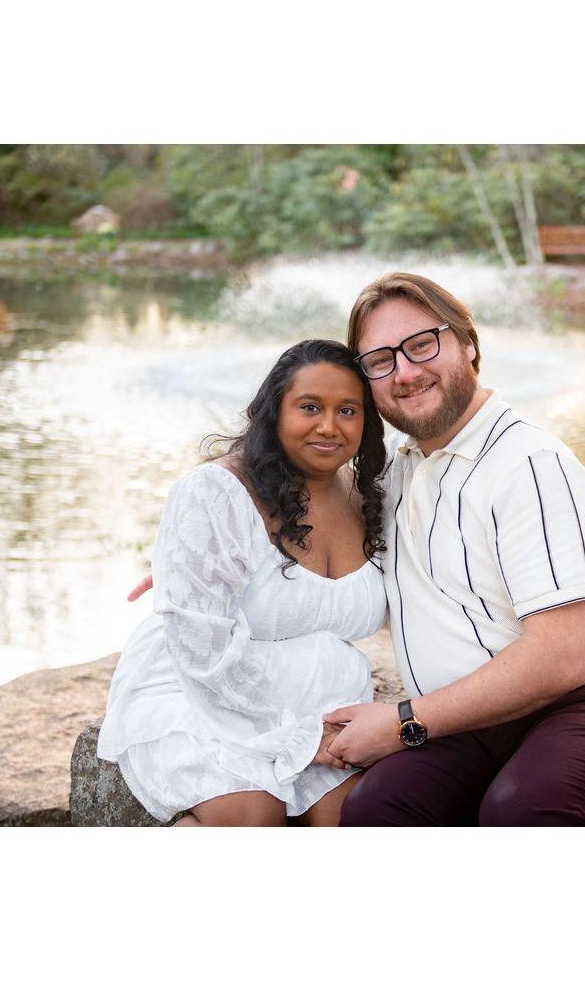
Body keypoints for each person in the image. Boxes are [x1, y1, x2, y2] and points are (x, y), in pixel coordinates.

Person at [322, 272, 585, 826]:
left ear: (468, 342)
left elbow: (563, 657)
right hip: (467, 722)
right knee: (377, 809)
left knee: (524, 812)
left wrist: (404, 721)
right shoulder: (395, 475)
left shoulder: (529, 464)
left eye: (421, 345)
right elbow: (292, 478)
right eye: (380, 360)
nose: (405, 372)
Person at [98, 339, 388, 826]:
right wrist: (298, 738)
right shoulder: (217, 492)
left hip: (323, 698)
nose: (328, 426)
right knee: (253, 815)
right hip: (206, 693)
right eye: (310, 407)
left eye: (348, 410)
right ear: (274, 412)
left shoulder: (375, 495)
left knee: (351, 817)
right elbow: (201, 651)